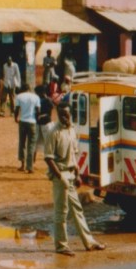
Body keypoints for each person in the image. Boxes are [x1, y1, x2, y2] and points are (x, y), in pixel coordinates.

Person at [44, 101, 106, 256]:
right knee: (61, 212)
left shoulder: (72, 130)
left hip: (71, 173)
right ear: (57, 115)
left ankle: (89, 242)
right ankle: (61, 246)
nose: (64, 117)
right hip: (60, 175)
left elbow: (74, 154)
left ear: (70, 113)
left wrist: (77, 174)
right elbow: (48, 158)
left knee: (78, 210)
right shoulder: (53, 132)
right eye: (61, 115)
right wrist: (60, 177)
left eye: (66, 114)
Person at [13, 83, 41, 173]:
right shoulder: (36, 97)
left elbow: (16, 109)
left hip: (23, 121)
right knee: (31, 144)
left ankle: (22, 165)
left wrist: (16, 118)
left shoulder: (19, 96)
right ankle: (30, 166)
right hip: (32, 122)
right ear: (30, 89)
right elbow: (38, 111)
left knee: (22, 143)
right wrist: (36, 120)